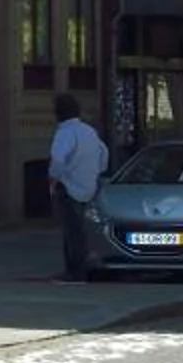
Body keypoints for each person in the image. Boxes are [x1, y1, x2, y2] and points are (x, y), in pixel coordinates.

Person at [49, 91, 110, 279]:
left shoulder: (64, 133)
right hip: (89, 186)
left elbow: (58, 159)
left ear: (58, 113)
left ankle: (74, 271)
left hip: (69, 186)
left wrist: (54, 177)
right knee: (82, 230)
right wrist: (95, 173)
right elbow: (103, 155)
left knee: (71, 231)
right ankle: (83, 267)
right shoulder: (89, 131)